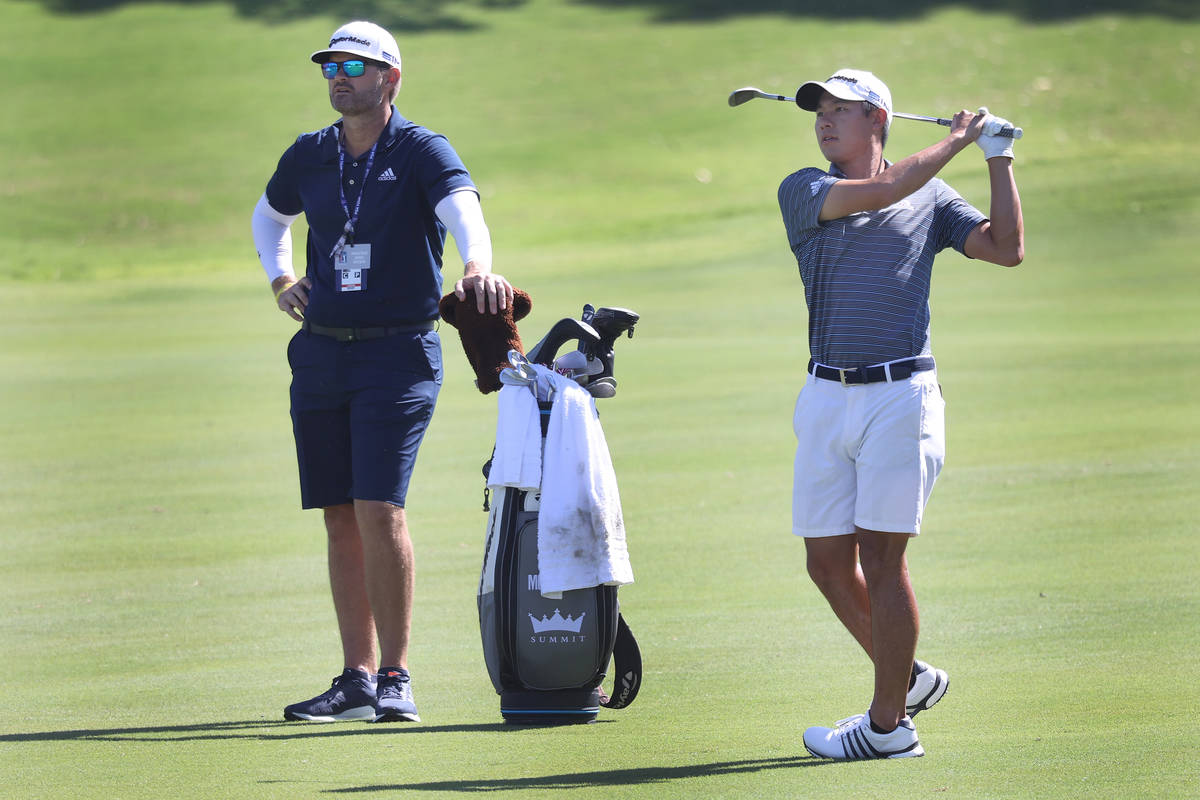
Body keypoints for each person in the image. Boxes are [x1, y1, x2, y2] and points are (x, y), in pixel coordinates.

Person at [251, 20, 514, 724]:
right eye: (331, 65)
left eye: (356, 66)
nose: (340, 75)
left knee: (379, 509)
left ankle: (396, 675)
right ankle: (356, 680)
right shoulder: (310, 153)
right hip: (321, 351)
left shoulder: (421, 148)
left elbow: (465, 210)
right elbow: (268, 215)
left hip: (397, 353)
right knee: (339, 515)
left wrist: (477, 268)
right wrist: (281, 280)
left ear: (390, 79)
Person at [777, 69, 1023, 758]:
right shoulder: (805, 188)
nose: (824, 121)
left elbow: (1005, 249)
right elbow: (886, 190)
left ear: (878, 119)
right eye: (819, 111)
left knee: (883, 560)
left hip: (899, 394)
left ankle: (888, 728)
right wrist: (955, 141)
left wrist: (997, 158)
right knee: (826, 564)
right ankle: (908, 679)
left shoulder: (934, 198)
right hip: (826, 394)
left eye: (841, 110)